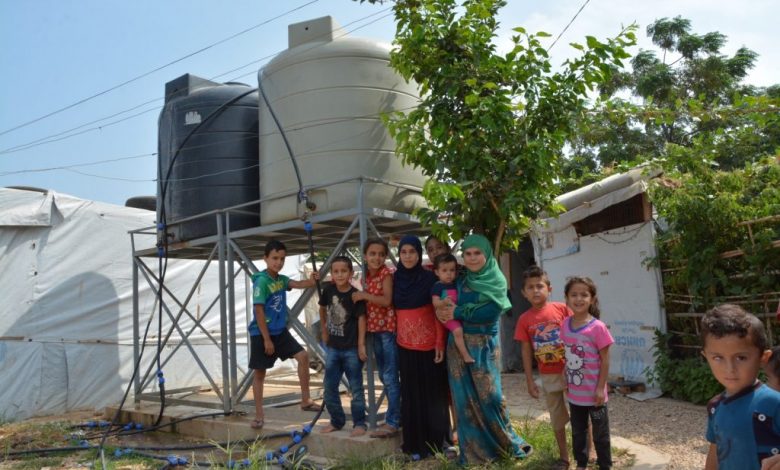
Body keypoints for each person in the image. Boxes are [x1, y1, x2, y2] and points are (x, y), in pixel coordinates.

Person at [436, 234, 532, 464]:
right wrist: (449, 310)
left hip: (484, 345)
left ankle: (507, 445)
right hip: (457, 347)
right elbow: (444, 304)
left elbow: (490, 312)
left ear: (486, 254)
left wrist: (458, 312)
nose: (472, 258)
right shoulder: (460, 278)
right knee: (463, 400)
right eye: (468, 253)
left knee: (491, 397)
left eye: (477, 253)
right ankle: (473, 453)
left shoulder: (495, 279)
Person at [249, 240, 321, 430]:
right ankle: (259, 414)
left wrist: (313, 281)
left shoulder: (280, 280)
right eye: (274, 258)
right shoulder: (261, 281)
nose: (278, 262)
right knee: (260, 373)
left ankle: (305, 400)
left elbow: (298, 283)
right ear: (265, 258)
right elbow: (258, 311)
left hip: (279, 332)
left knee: (303, 356)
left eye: (281, 259)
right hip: (261, 333)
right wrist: (266, 339)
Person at [701, 304, 780, 470]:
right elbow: (716, 452)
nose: (729, 368)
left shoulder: (774, 403)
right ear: (705, 356)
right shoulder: (715, 406)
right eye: (718, 358)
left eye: (741, 358)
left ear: (763, 358)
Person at [393, 235, 451, 458]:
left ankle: (439, 443)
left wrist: (439, 342)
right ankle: (415, 445)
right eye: (404, 252)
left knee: (434, 395)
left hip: (429, 345)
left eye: (412, 252)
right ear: (399, 254)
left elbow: (437, 314)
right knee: (411, 395)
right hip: (405, 345)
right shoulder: (395, 279)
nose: (408, 256)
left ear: (419, 254)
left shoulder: (429, 280)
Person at [514, 265, 572, 469]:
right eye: (530, 287)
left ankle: (588, 452)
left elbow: (577, 335)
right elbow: (526, 351)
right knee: (556, 418)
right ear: (524, 292)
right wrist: (529, 380)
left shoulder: (562, 309)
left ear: (549, 288)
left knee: (581, 412)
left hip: (571, 372)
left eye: (540, 286)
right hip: (548, 375)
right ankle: (564, 458)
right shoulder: (524, 319)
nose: (535, 290)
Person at [561, 277, 614, 470]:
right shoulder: (564, 325)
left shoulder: (598, 327)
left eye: (584, 294)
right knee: (578, 432)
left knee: (601, 434)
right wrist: (565, 378)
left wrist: (601, 388)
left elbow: (605, 359)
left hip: (596, 395)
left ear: (592, 299)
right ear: (566, 298)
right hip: (575, 395)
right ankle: (581, 464)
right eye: (574, 294)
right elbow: (566, 355)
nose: (579, 298)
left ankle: (605, 465)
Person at [351, 238, 400, 438]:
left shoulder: (386, 273)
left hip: (388, 331)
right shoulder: (366, 276)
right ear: (365, 256)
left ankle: (393, 421)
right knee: (384, 376)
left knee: (389, 377)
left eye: (381, 254)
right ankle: (396, 416)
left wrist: (364, 295)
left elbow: (387, 300)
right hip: (375, 331)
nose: (377, 258)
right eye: (372, 254)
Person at [318, 256, 368, 436]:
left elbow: (362, 320)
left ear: (351, 273)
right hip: (333, 347)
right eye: (336, 271)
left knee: (355, 388)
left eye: (343, 271)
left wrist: (361, 345)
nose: (339, 275)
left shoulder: (355, 295)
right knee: (329, 386)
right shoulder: (328, 290)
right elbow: (322, 308)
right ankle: (337, 421)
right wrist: (324, 329)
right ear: (332, 273)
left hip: (352, 349)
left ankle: (359, 424)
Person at [431, 253, 474, 364]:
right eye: (444, 271)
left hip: (456, 313)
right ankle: (465, 355)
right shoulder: (438, 286)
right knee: (458, 331)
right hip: (447, 315)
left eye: (452, 270)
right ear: (437, 272)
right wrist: (443, 302)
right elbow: (435, 303)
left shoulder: (456, 284)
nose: (449, 274)